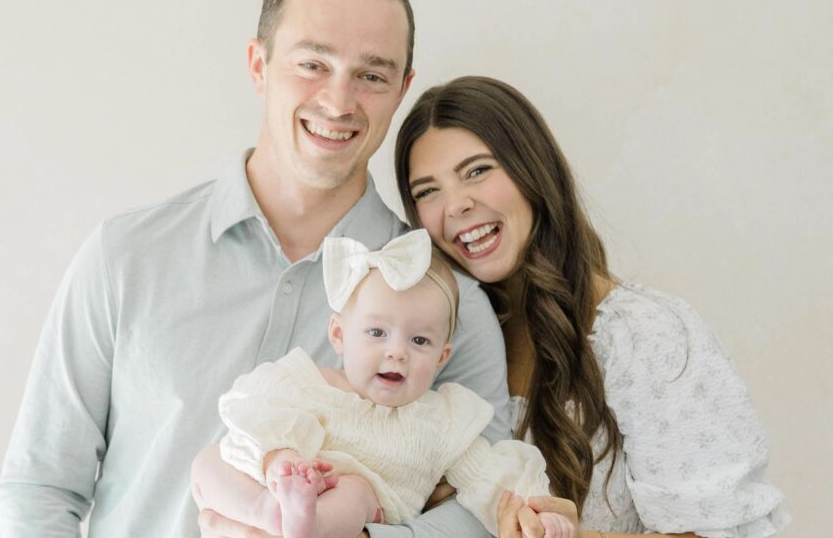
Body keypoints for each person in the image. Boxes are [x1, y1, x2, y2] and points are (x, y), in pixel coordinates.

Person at [0, 0, 514, 538]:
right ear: (258, 64)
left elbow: (484, 514)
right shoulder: (124, 257)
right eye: (313, 63)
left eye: (372, 75)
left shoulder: (451, 307)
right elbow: (39, 491)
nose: (339, 102)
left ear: (401, 90)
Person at [394, 76, 790, 538]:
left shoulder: (644, 335)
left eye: (478, 171)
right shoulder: (436, 345)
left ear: (532, 170)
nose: (456, 205)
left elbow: (727, 532)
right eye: (427, 191)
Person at [192, 230, 573, 538]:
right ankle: (274, 515)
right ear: (339, 334)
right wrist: (280, 462)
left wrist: (536, 512)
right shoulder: (306, 382)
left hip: (348, 519)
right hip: (278, 490)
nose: (397, 352)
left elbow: (491, 479)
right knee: (208, 461)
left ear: (442, 356)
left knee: (356, 491)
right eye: (377, 332)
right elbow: (251, 410)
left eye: (419, 341)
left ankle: (304, 526)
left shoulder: (442, 422)